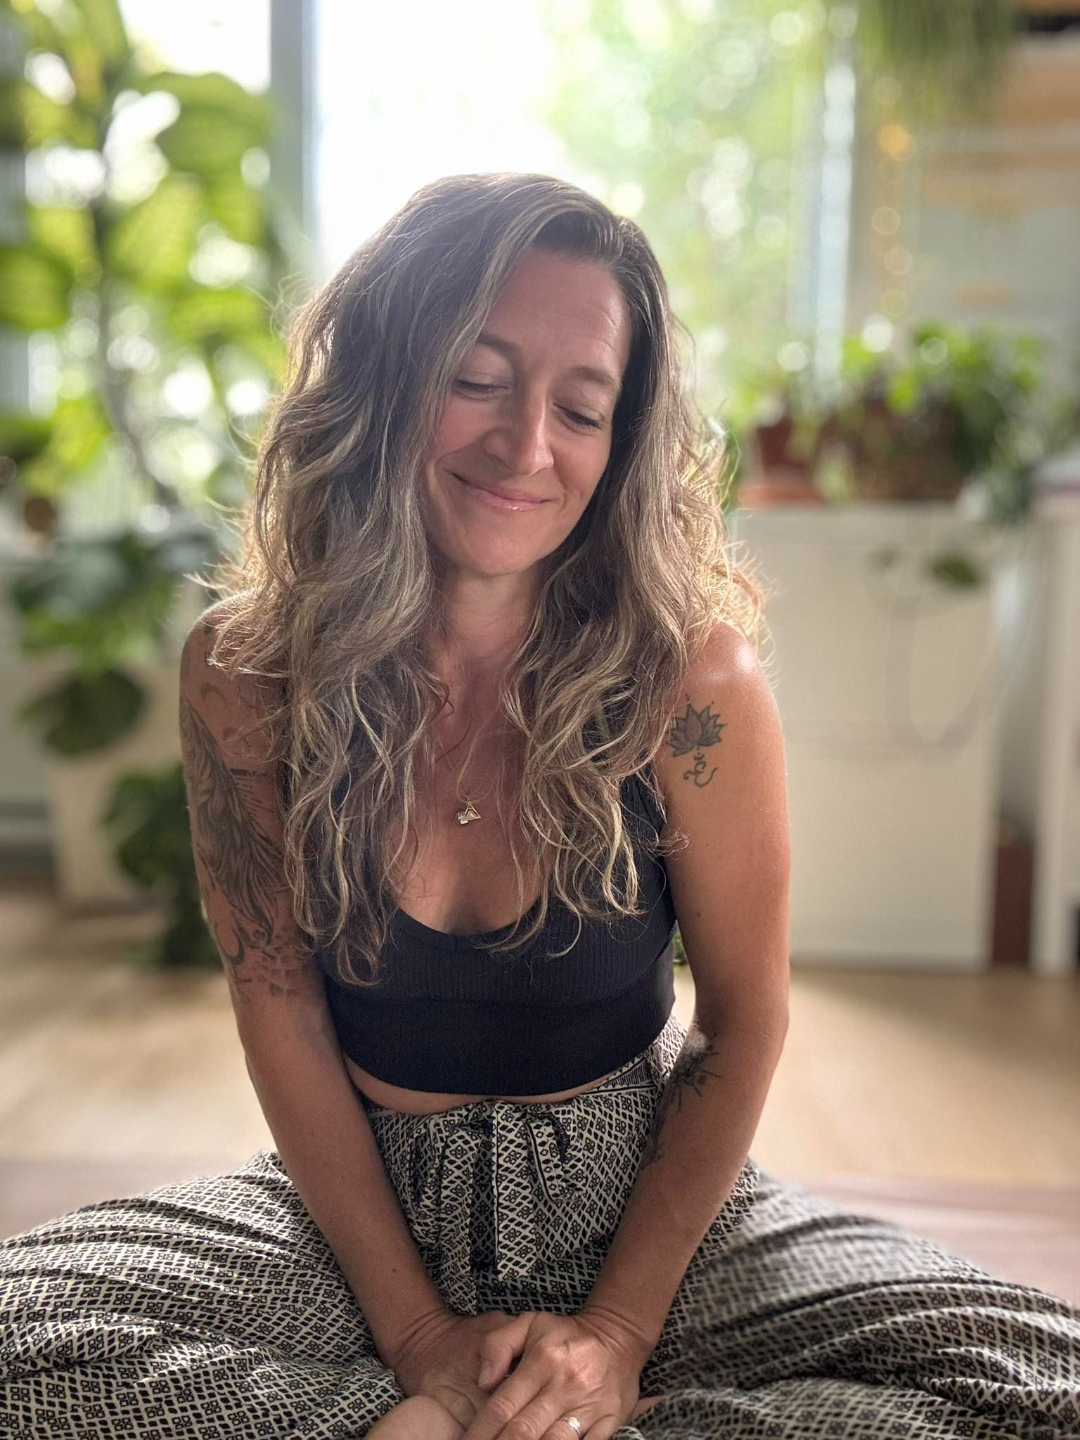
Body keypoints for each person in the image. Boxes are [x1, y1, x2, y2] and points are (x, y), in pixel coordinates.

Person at [1, 172, 1078, 1440]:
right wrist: (415, 1344)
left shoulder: (691, 680)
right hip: (358, 1215)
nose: (525, 448)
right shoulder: (245, 674)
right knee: (22, 1341)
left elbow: (743, 1018)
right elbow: (277, 1004)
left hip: (642, 1203)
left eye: (580, 408)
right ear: (386, 379)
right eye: (477, 378)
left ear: (619, 445)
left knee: (1042, 1389)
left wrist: (617, 1337)